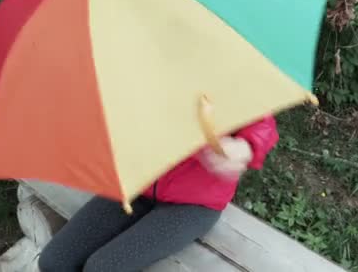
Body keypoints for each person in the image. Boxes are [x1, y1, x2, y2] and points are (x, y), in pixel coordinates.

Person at [38, 116, 279, 272]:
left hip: (194, 203)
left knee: (102, 268)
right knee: (53, 262)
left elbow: (263, 123)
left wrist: (247, 146)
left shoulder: (227, 61)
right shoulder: (149, 56)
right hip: (141, 183)